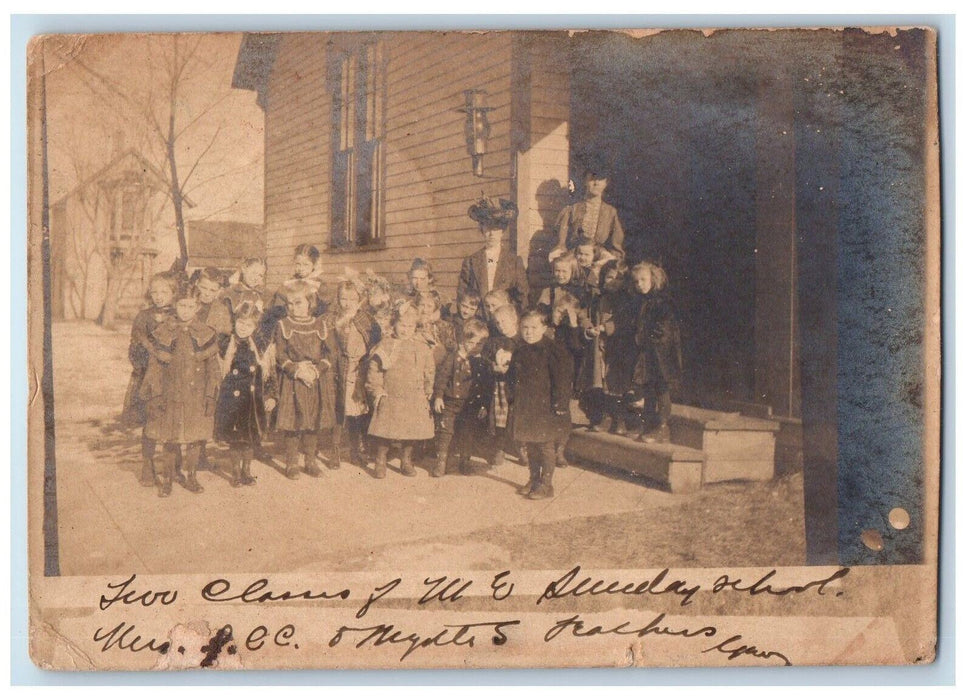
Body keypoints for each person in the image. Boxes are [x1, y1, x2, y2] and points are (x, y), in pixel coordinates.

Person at [140, 283, 222, 497]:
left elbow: (213, 369)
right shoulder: (163, 332)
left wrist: (211, 395)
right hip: (170, 394)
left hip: (196, 395)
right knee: (170, 438)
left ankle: (192, 476)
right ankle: (168, 479)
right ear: (175, 305)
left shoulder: (206, 333)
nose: (185, 310)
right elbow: (155, 367)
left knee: (195, 437)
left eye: (190, 306)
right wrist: (156, 394)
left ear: (197, 308)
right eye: (181, 306)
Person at [273, 279, 336, 479]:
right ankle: (292, 462)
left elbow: (330, 354)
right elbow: (280, 355)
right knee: (293, 422)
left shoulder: (321, 324)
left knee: (312, 421)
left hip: (315, 380)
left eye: (298, 303)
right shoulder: (283, 325)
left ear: (310, 302)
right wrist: (296, 370)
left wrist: (316, 371)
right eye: (289, 304)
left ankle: (310, 460)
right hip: (293, 380)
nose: (293, 308)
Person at [365, 302, 436, 479]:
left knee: (410, 429)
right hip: (391, 393)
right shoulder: (386, 345)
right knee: (385, 429)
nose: (405, 329)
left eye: (410, 326)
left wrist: (428, 388)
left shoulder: (421, 346)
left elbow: (429, 368)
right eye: (402, 325)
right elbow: (375, 369)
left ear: (416, 327)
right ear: (394, 324)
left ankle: (406, 460)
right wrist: (377, 389)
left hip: (414, 395)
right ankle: (380, 460)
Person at [508, 311, 573, 500]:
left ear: (544, 329)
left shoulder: (553, 351)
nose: (528, 332)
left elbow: (561, 380)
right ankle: (534, 479)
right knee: (530, 444)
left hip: (546, 408)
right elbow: (512, 378)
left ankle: (546, 484)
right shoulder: (520, 350)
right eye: (525, 328)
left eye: (534, 328)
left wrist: (560, 404)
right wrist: (512, 399)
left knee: (545, 446)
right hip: (525, 406)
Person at [122, 273, 176, 487]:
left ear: (173, 292)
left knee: (172, 420)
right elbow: (134, 347)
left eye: (164, 292)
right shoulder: (143, 317)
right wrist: (145, 366)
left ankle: (172, 465)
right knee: (151, 422)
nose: (159, 297)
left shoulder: (178, 314)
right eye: (155, 292)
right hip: (149, 377)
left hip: (173, 378)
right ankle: (148, 464)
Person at [214, 301, 277, 486]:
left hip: (252, 401)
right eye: (240, 323)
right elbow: (218, 371)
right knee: (235, 440)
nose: (243, 328)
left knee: (249, 439)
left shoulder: (260, 346)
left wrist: (271, 396)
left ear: (255, 327)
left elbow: (269, 374)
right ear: (234, 322)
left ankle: (246, 471)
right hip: (232, 401)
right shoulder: (226, 343)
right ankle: (235, 472)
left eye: (248, 325)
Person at [628, 262, 683, 443]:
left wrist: (647, 338)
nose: (640, 284)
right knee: (648, 388)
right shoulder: (640, 301)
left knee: (661, 388)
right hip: (647, 354)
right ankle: (648, 424)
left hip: (661, 354)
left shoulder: (661, 302)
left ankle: (662, 427)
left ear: (653, 279)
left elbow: (665, 328)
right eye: (636, 282)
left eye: (644, 280)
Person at [329, 279, 381, 469]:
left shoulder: (366, 320)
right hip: (339, 370)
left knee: (357, 413)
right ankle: (335, 450)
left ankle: (356, 450)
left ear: (360, 300)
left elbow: (376, 341)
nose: (347, 303)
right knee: (339, 413)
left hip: (359, 370)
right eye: (343, 298)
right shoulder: (332, 318)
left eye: (352, 299)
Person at [432, 319, 489, 477]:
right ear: (463, 340)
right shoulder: (453, 357)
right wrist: (438, 396)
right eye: (472, 342)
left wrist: (484, 405)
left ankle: (465, 461)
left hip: (469, 404)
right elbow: (442, 377)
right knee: (445, 431)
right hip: (450, 401)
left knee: (466, 432)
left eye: (480, 344)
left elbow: (484, 385)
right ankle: (441, 462)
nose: (475, 347)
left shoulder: (480, 362)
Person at [577, 259, 627, 431]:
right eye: (609, 277)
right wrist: (589, 327)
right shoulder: (596, 298)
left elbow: (624, 321)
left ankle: (618, 419)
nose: (613, 282)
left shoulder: (625, 301)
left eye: (618, 278)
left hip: (616, 348)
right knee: (598, 383)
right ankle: (602, 417)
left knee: (615, 384)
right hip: (598, 348)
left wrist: (607, 327)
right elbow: (583, 314)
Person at [459, 196, 529, 310]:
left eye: (496, 229)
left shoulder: (514, 261)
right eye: (488, 229)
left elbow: (522, 296)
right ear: (482, 230)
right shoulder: (471, 261)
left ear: (502, 231)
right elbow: (463, 294)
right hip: (479, 320)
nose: (492, 234)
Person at [552, 167, 625, 260]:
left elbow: (616, 246)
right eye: (592, 179)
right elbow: (560, 243)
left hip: (598, 259)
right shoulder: (572, 209)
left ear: (606, 183)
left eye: (601, 180)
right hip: (575, 258)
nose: (596, 183)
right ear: (585, 181)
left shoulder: (610, 212)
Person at [476, 336, 515, 469]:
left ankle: (522, 448)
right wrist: (493, 367)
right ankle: (500, 448)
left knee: (515, 419)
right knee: (499, 420)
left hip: (514, 389)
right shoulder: (494, 342)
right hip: (499, 387)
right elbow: (485, 361)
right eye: (498, 322)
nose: (501, 325)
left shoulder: (519, 343)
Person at [208, 257, 271, 337]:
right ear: (244, 269)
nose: (255, 278)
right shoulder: (228, 293)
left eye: (260, 275)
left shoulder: (266, 296)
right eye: (253, 272)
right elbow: (217, 325)